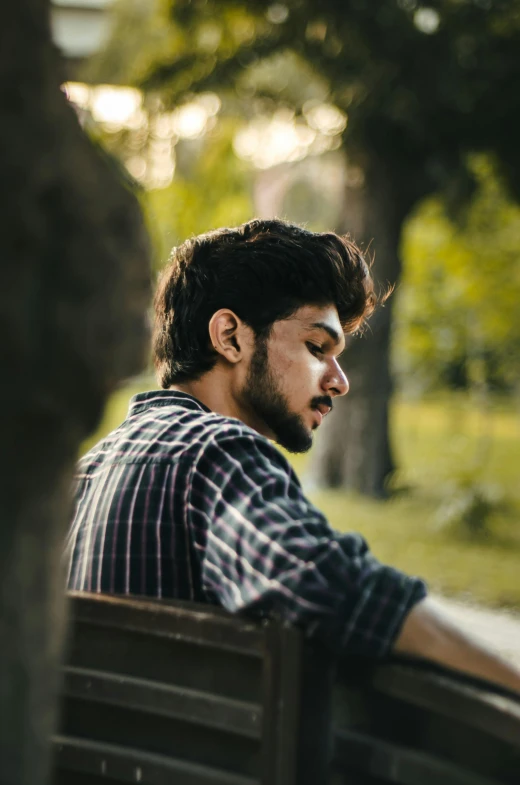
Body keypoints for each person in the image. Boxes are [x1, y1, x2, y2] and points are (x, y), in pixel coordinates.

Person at [65, 218, 520, 693]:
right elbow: (327, 585)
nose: (339, 382)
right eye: (316, 347)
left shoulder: (84, 473)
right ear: (230, 336)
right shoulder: (215, 451)